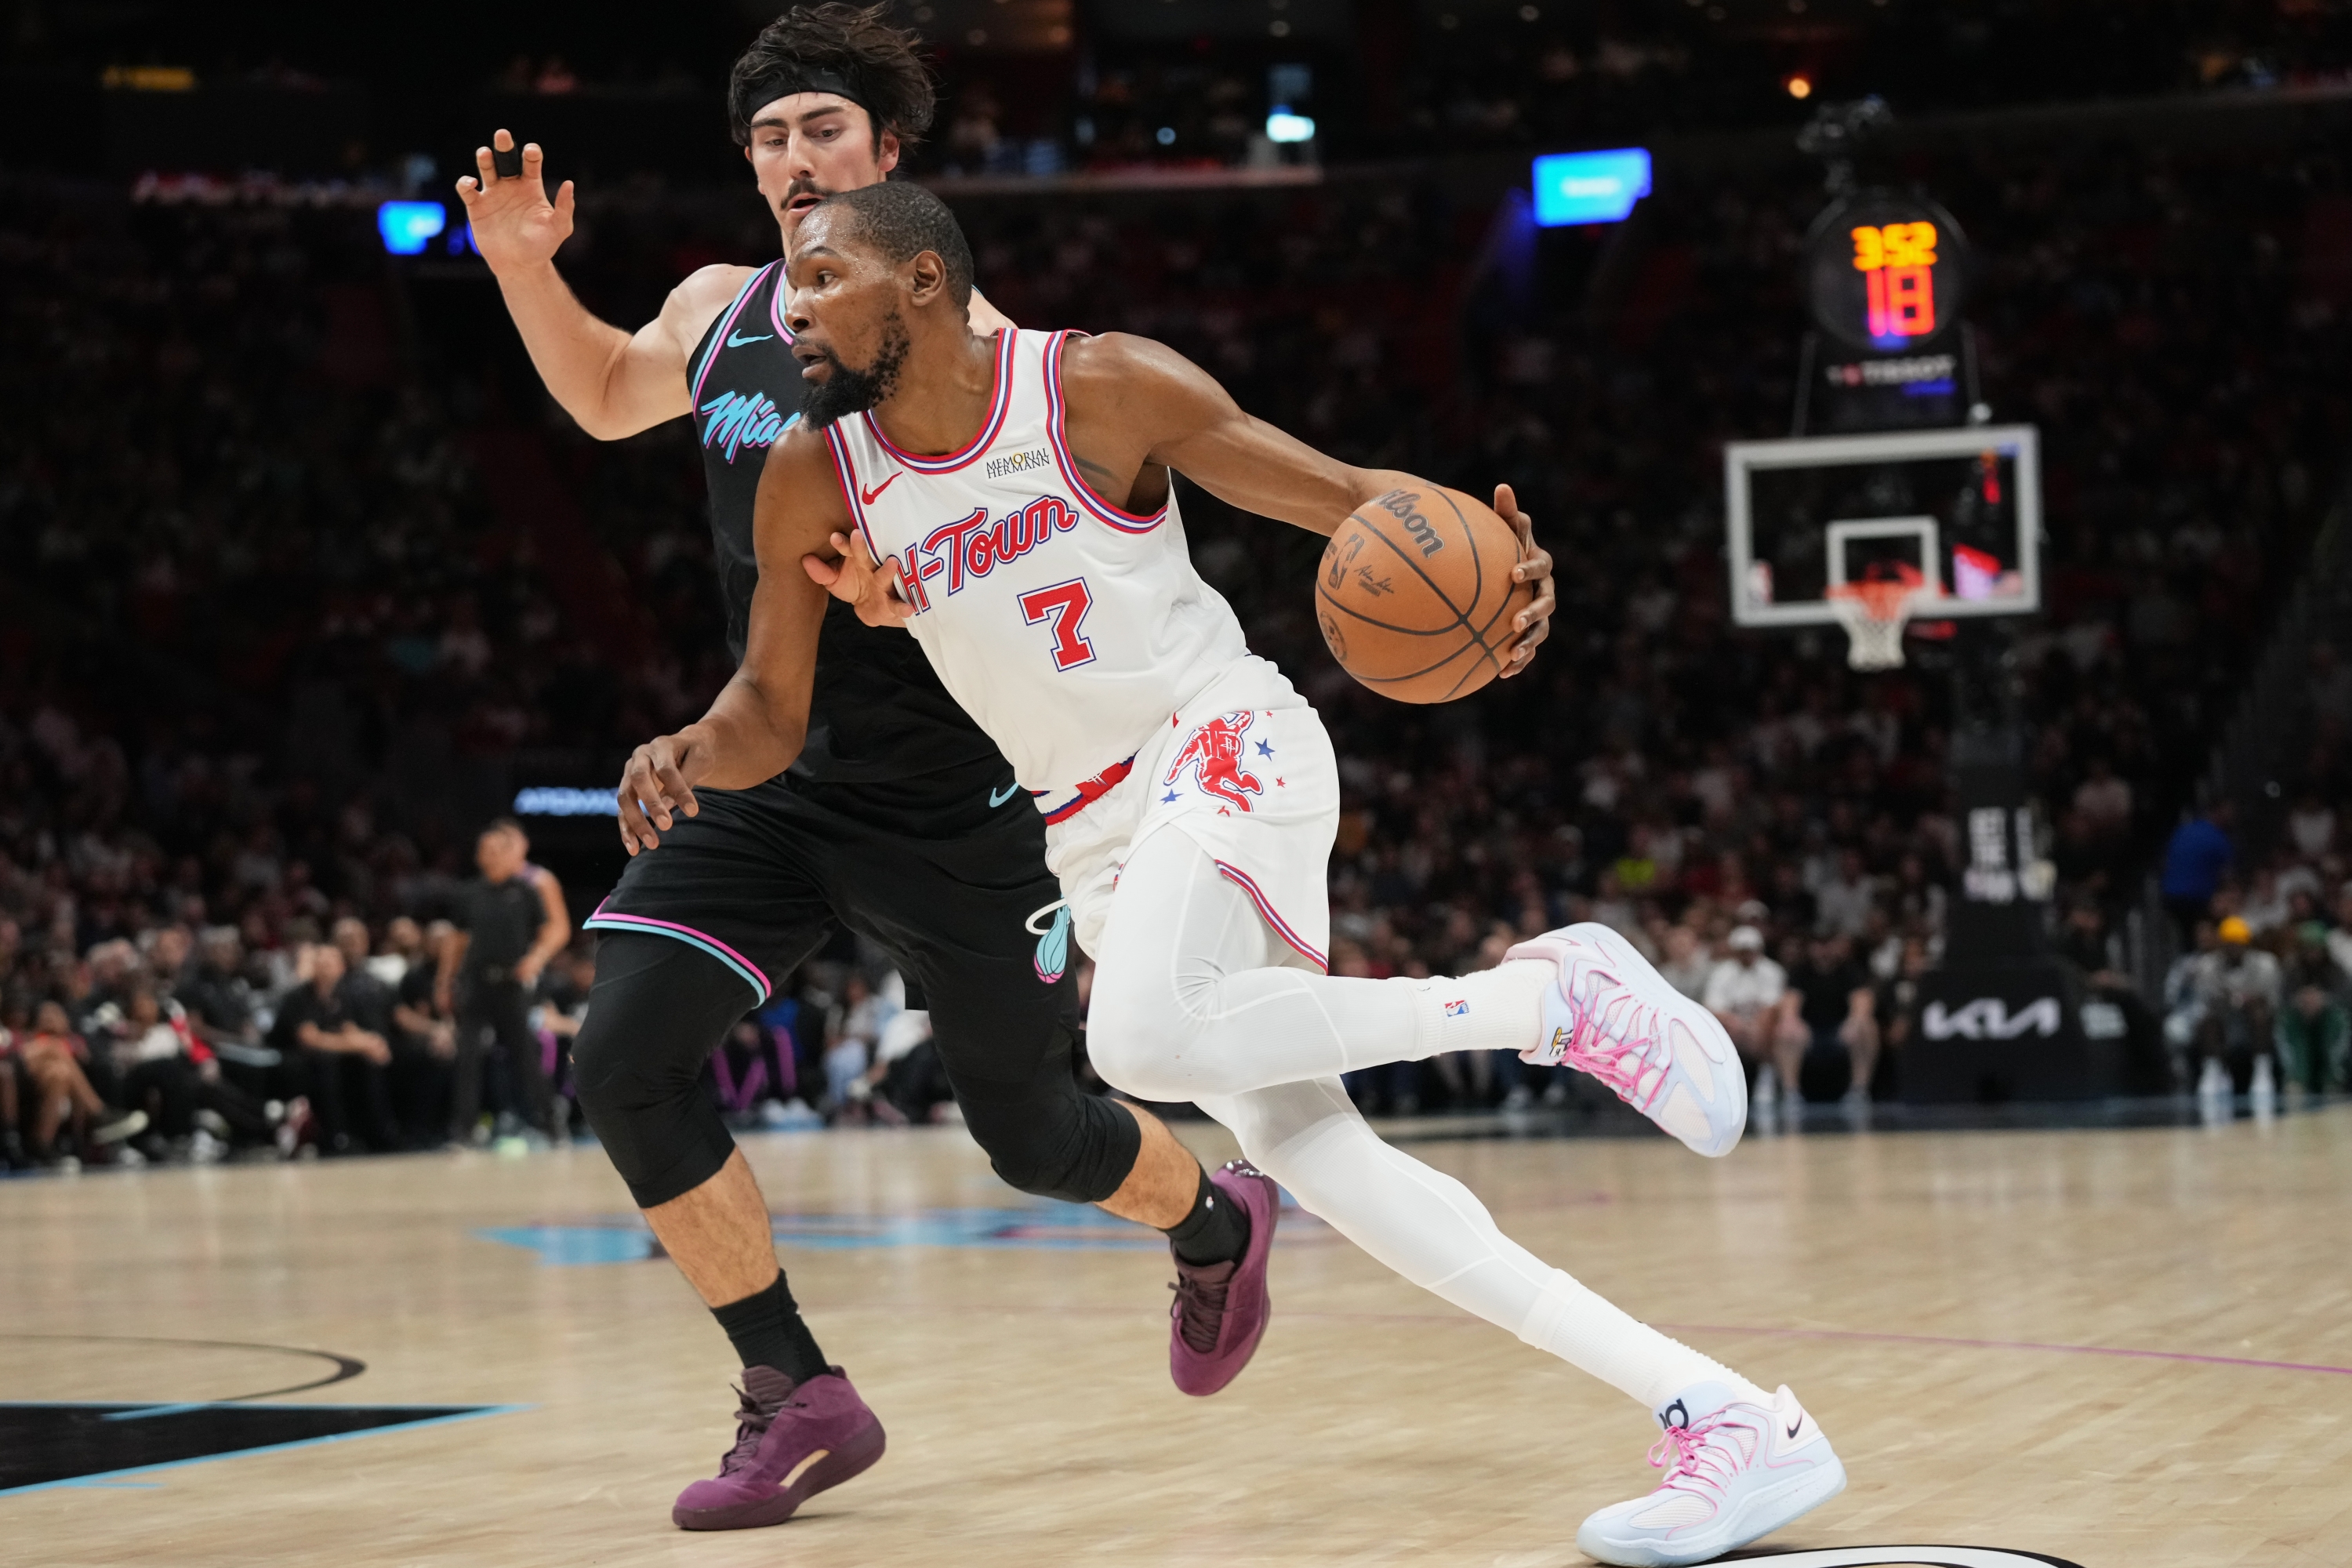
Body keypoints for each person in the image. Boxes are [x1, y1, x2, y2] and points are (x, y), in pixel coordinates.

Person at [619, 180, 1838, 1568]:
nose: (793, 305)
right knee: (1321, 1160)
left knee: (1138, 1039)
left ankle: (1545, 1001)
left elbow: (1352, 501)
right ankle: (1727, 1418)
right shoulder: (811, 474)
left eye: (822, 275)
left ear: (922, 284)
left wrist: (1507, 577)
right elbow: (766, 712)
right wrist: (684, 752)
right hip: (1087, 831)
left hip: (1221, 739)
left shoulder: (1098, 387)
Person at [453, 5, 1330, 1531]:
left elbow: (1032, 517)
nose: (795, 161)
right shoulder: (725, 306)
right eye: (772, 138)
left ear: (889, 158)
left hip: (964, 787)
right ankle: (794, 1388)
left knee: (1034, 1133)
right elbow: (602, 397)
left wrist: (923, 576)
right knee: (623, 1059)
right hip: (773, 749)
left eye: (824, 134)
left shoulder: (948, 334)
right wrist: (528, 269)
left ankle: (1210, 1216)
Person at [437, 818, 568, 1140]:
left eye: (501, 848)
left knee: (526, 1057)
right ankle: (462, 1132)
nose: (493, 855)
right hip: (476, 983)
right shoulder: (468, 893)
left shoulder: (529, 888)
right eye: (487, 849)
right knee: (467, 1057)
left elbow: (554, 929)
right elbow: (455, 941)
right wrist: (444, 983)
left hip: (512, 985)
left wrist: (535, 960)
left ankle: (552, 1124)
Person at [274, 943, 397, 1153]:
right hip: (293, 1059)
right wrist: (360, 1045)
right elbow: (311, 1039)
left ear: (341, 968)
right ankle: (335, 1136)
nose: (324, 968)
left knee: (368, 1064)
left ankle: (379, 1133)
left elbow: (348, 1029)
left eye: (329, 963)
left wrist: (371, 1043)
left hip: (331, 1056)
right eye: (320, 963)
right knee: (327, 1062)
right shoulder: (299, 997)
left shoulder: (342, 995)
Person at [1702, 925, 1807, 1108]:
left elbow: (1772, 1008)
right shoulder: (1722, 973)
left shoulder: (1772, 971)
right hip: (1733, 1030)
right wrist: (1738, 1025)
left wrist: (1754, 1028)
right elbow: (1713, 1007)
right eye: (1742, 951)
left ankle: (1768, 1076)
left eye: (1750, 950)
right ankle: (1722, 1091)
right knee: (1718, 1027)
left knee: (1771, 1025)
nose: (1747, 955)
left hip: (1764, 1030)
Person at [1787, 934, 1878, 1106]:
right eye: (1819, 944)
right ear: (1810, 947)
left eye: (1828, 944)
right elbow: (1791, 1003)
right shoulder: (1800, 971)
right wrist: (1793, 1022)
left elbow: (1862, 1000)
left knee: (1867, 1027)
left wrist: (1855, 1021)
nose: (1823, 950)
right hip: (1809, 1033)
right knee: (1786, 1030)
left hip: (1842, 1031)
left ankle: (1859, 1090)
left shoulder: (1850, 969)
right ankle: (1791, 1092)